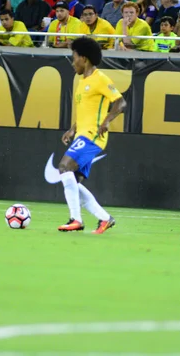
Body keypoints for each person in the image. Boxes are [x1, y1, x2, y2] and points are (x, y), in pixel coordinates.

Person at [57, 36, 126, 234]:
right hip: (82, 134)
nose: (73, 62)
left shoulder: (100, 79)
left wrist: (106, 121)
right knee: (73, 181)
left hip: (93, 136)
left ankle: (75, 219)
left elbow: (120, 103)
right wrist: (72, 128)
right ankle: (105, 218)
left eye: (74, 57)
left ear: (84, 59)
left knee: (64, 167)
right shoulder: (82, 81)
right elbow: (87, 111)